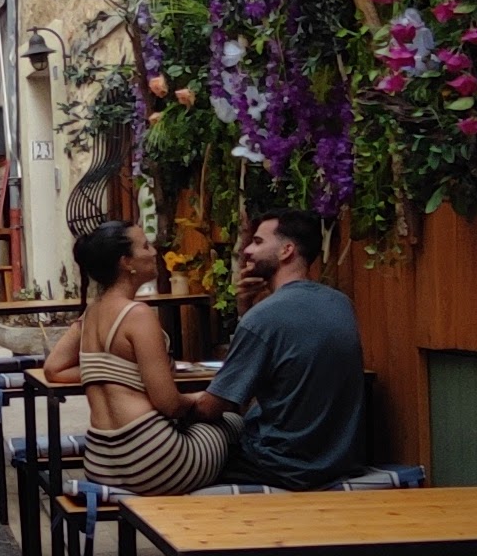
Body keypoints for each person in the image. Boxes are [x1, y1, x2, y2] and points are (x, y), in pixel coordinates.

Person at [43, 220, 237, 494]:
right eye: (145, 246)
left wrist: (122, 375)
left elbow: (53, 368)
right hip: (152, 461)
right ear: (126, 262)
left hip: (100, 462)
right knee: (235, 424)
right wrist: (199, 398)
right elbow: (169, 405)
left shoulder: (91, 313)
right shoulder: (137, 314)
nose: (154, 251)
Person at [196, 210, 366, 486]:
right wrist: (247, 309)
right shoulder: (340, 303)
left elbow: (210, 408)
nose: (247, 250)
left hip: (280, 465)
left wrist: (170, 403)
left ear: (287, 250)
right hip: (337, 461)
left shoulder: (264, 317)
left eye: (258, 242)